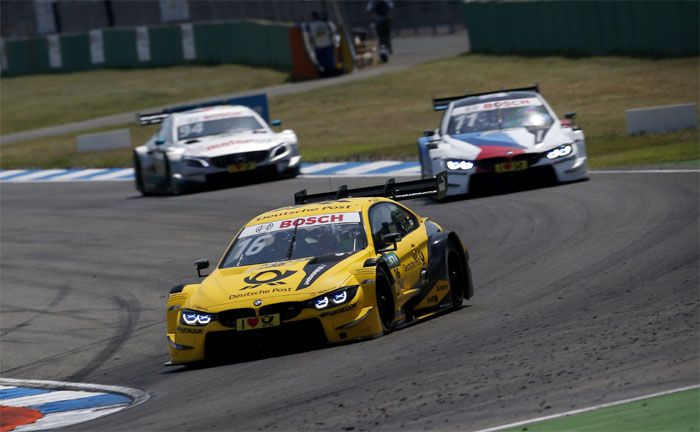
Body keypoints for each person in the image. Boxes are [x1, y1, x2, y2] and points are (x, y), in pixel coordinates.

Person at [304, 11, 341, 77]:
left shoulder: (310, 26)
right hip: (327, 44)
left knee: (323, 61)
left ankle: (326, 72)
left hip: (319, 46)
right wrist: (335, 43)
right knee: (329, 60)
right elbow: (332, 33)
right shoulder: (326, 23)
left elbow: (309, 37)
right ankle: (331, 71)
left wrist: (310, 45)